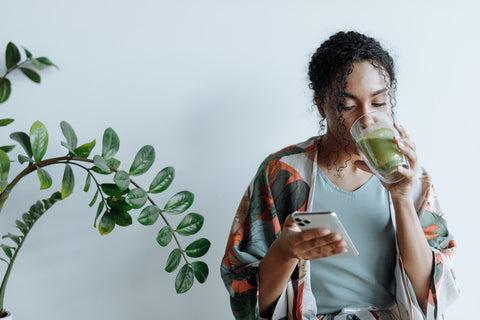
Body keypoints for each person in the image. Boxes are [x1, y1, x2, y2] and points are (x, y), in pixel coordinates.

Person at [220, 31, 459, 320]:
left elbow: (432, 295)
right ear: (321, 105)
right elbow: (246, 298)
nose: (367, 117)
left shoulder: (411, 177)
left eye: (379, 102)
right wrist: (284, 251)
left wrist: (401, 197)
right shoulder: (281, 172)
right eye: (347, 105)